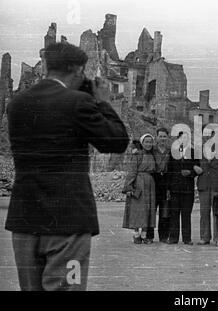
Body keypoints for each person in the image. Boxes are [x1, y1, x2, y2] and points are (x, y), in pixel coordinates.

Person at [5, 42, 129, 291]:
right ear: (77, 70)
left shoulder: (16, 104)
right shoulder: (78, 102)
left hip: (25, 220)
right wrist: (102, 102)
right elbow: (116, 140)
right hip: (68, 224)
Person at [167, 132, 202, 245]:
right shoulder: (173, 153)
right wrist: (168, 188)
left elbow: (198, 170)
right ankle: (173, 238)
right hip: (175, 188)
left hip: (188, 189)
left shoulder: (193, 153)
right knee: (174, 214)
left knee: (186, 214)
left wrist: (190, 173)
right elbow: (169, 171)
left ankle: (187, 239)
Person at [122, 134, 156, 244]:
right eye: (146, 142)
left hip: (150, 184)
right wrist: (128, 187)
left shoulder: (152, 154)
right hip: (139, 183)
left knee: (148, 209)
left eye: (150, 142)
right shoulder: (137, 155)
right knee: (137, 209)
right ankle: (136, 235)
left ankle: (144, 235)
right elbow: (132, 171)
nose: (148, 144)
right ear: (142, 143)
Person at [197, 130, 218, 246]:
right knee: (204, 212)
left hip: (216, 186)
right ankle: (205, 237)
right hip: (203, 185)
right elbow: (193, 164)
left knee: (217, 212)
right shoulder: (200, 151)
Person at [149, 127, 171, 243]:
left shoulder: (171, 151)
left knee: (165, 211)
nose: (162, 138)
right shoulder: (152, 150)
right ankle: (149, 236)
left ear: (167, 137)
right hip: (154, 179)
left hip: (166, 180)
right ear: (156, 137)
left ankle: (163, 236)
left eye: (164, 136)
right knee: (152, 209)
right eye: (160, 136)